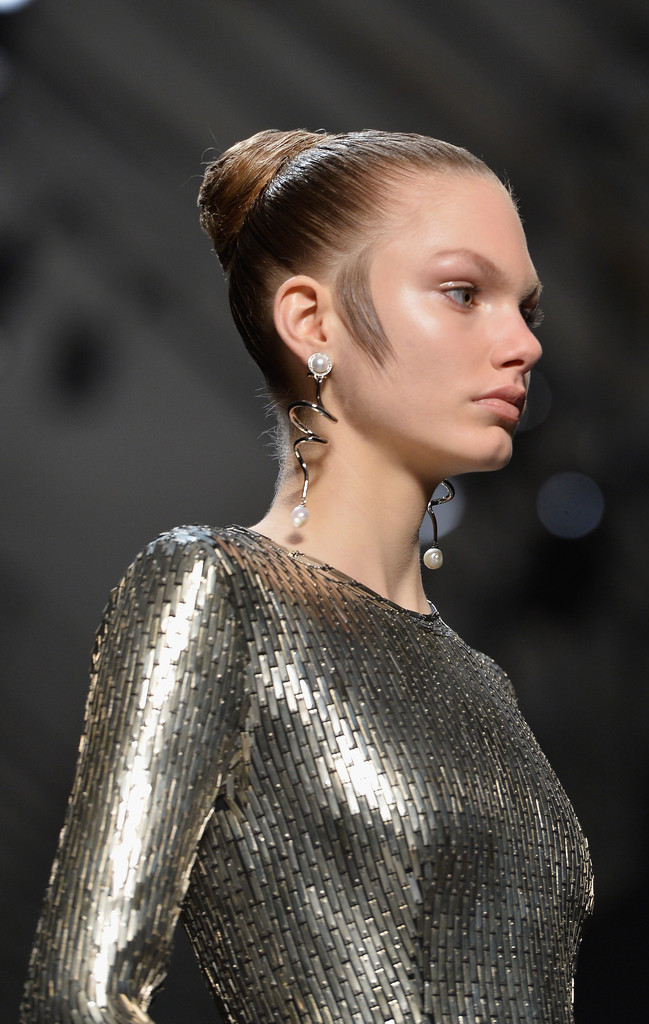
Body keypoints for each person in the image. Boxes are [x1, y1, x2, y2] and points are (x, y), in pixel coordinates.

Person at [21, 129, 593, 1024]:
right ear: (312, 321)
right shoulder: (216, 592)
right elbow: (78, 997)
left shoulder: (483, 683)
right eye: (463, 293)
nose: (522, 343)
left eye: (528, 309)